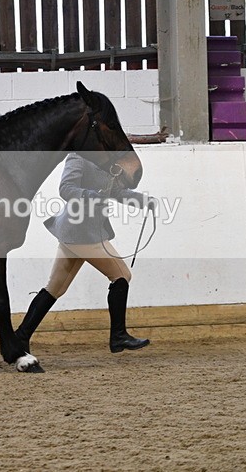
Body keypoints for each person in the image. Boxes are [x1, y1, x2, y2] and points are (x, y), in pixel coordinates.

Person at [15, 152, 153, 354]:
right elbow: (65, 189)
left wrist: (142, 201)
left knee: (55, 288)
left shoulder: (106, 162)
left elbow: (114, 192)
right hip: (81, 231)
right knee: (122, 275)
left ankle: (20, 337)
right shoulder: (78, 157)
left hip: (78, 232)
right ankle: (118, 336)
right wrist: (91, 196)